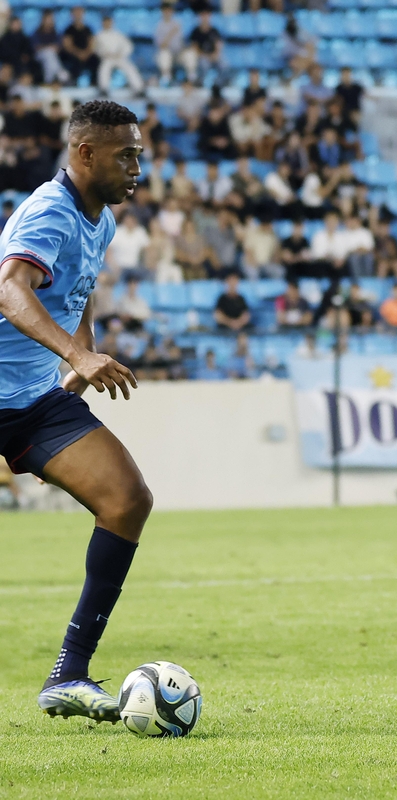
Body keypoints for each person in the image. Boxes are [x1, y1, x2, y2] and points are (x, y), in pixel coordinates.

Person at [0, 100, 152, 722]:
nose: (137, 166)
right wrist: (76, 355)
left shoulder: (102, 219)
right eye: (126, 154)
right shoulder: (48, 213)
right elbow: (11, 288)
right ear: (84, 153)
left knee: (128, 500)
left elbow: (77, 289)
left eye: (139, 153)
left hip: (35, 402)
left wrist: (79, 356)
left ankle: (70, 673)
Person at [94, 16, 143, 95]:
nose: (107, 24)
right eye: (105, 22)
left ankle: (139, 88)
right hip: (107, 58)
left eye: (109, 22)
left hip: (120, 57)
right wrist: (105, 54)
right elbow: (97, 49)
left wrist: (121, 53)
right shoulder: (99, 35)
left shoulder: (118, 34)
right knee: (104, 68)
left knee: (130, 68)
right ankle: (103, 88)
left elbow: (128, 46)